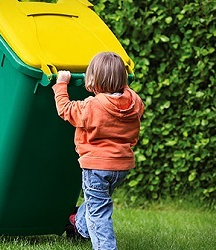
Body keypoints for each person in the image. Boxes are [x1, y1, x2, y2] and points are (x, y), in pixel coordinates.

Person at [52, 52, 145, 250]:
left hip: (96, 167)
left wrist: (61, 84)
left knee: (98, 212)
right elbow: (126, 95)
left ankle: (105, 247)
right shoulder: (134, 101)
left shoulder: (92, 106)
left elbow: (65, 109)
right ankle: (80, 224)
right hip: (121, 166)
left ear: (94, 79)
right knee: (98, 201)